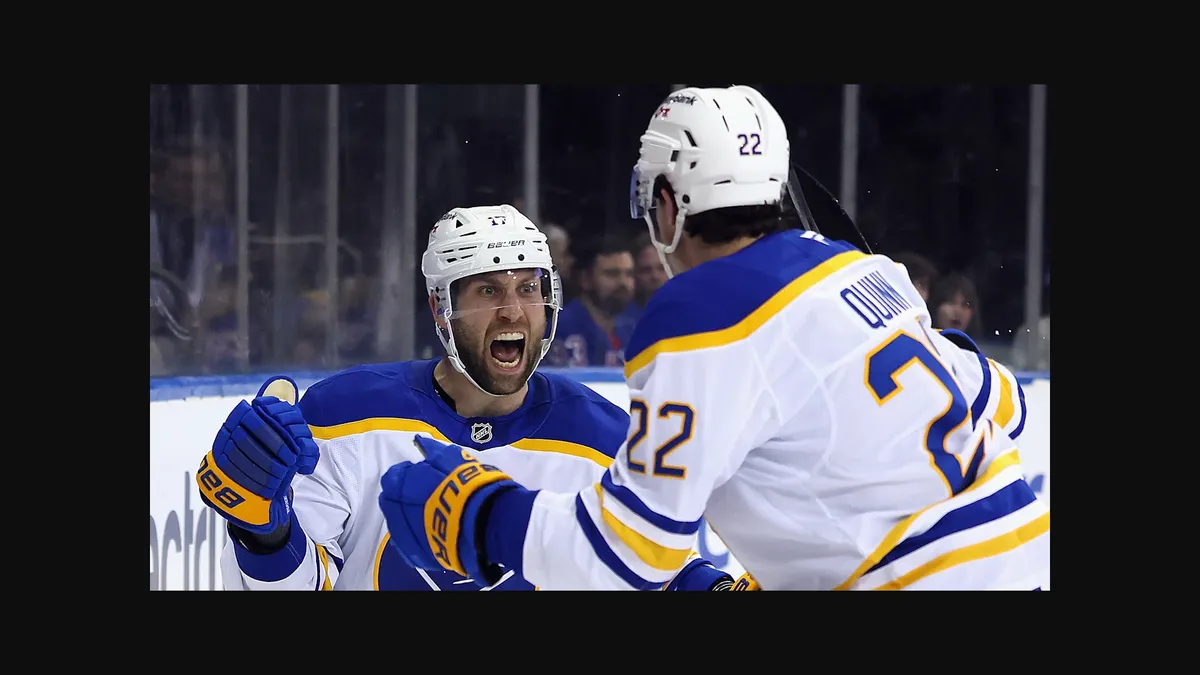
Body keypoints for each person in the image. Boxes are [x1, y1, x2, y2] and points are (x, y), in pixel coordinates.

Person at [376, 86, 1048, 591]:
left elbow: (628, 553)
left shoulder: (703, 311)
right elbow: (1007, 407)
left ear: (668, 206)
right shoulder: (867, 273)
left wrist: (483, 516)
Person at [194, 205, 731, 591]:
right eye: (488, 290)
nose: (513, 311)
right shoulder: (344, 415)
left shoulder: (605, 439)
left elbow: (656, 569)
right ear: (439, 308)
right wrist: (265, 534)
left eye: (528, 288)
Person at [545, 233, 639, 367]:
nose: (623, 282)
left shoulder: (634, 324)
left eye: (629, 274)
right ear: (586, 279)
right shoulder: (558, 327)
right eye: (612, 274)